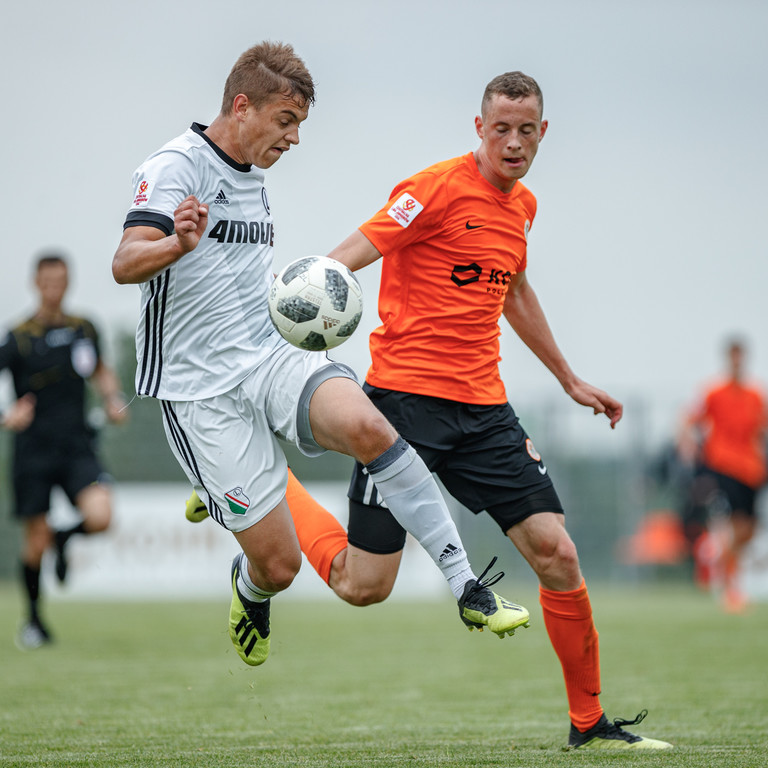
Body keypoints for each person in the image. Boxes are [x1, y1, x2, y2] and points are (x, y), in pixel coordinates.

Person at [186, 70, 673, 750]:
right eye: (500, 129)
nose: (512, 142)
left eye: (525, 130)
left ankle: (588, 724)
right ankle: (269, 491)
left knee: (558, 554)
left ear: (542, 133)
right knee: (364, 586)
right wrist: (306, 291)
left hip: (485, 413)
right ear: (479, 129)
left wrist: (568, 378)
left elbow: (515, 291)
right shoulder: (434, 190)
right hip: (404, 408)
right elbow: (358, 249)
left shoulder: (523, 206)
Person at [112, 41, 529, 669]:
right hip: (199, 389)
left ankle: (467, 585)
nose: (295, 139)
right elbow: (124, 262)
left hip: (267, 354)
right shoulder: (178, 166)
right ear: (243, 106)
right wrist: (176, 244)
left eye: (300, 125)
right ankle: (245, 576)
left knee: (369, 425)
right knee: (278, 567)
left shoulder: (252, 176)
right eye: (287, 122)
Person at [0, 253, 127, 649]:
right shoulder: (17, 336)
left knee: (102, 516)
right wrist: (7, 415)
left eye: (60, 280)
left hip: (76, 445)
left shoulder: (83, 327)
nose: (54, 287)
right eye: (47, 281)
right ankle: (34, 621)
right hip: (33, 450)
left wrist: (112, 397)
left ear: (67, 282)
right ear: (36, 283)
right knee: (34, 540)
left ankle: (65, 537)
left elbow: (101, 371)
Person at [677, 337, 767, 610]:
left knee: (748, 530)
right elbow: (688, 420)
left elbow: (762, 429)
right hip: (724, 466)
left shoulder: (755, 395)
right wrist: (688, 445)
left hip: (752, 470)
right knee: (735, 526)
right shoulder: (714, 392)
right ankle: (731, 589)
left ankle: (718, 557)